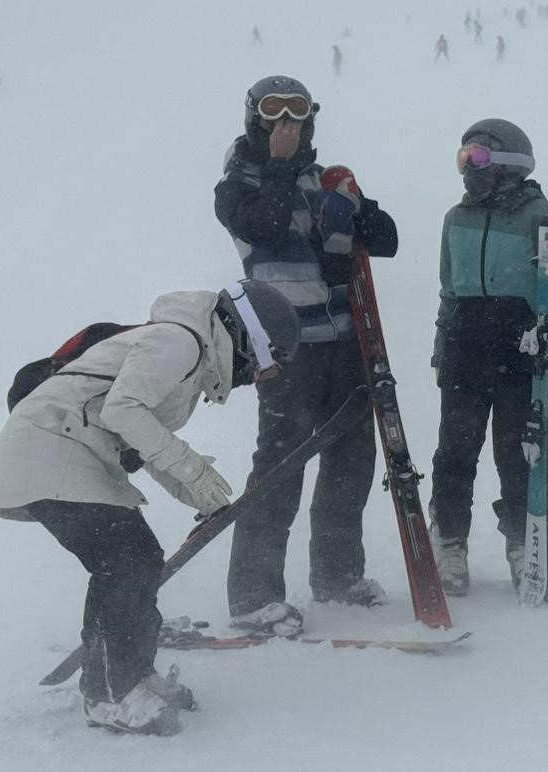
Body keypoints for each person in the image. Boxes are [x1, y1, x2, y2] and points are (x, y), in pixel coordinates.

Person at [0, 282, 300, 735]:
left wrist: (200, 493)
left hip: (70, 449)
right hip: (51, 447)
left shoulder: (187, 355)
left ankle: (130, 675)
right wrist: (194, 472)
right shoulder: (179, 340)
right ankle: (109, 693)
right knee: (125, 562)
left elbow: (139, 440)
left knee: (136, 560)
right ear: (252, 339)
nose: (259, 379)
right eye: (268, 366)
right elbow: (124, 411)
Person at [213, 75, 400, 630]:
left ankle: (338, 575)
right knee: (280, 463)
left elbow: (385, 241)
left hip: (343, 339)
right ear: (255, 118)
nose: (287, 122)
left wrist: (357, 209)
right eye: (274, 112)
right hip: (286, 348)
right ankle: (253, 597)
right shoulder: (236, 186)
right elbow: (265, 227)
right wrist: (278, 165)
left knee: (350, 458)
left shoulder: (322, 181)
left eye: (297, 111)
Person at [429, 118, 548, 596]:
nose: (466, 169)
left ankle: (522, 543)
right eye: (463, 158)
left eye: (475, 157)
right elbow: (448, 289)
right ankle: (450, 541)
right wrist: (441, 349)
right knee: (455, 451)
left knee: (517, 455)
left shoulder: (541, 214)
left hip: (521, 350)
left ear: (509, 163)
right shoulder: (457, 218)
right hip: (464, 346)